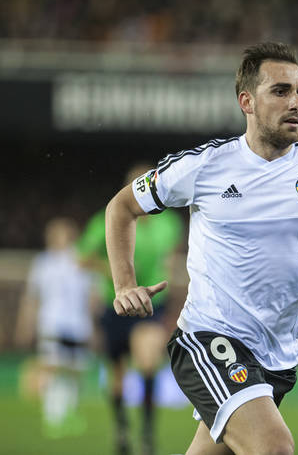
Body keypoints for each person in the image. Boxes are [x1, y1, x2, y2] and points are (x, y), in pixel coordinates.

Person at [105, 42, 298, 455]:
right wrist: (124, 283)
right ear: (247, 102)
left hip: (277, 357)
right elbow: (122, 207)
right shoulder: (204, 166)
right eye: (280, 91)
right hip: (209, 338)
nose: (295, 102)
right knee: (274, 447)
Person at [77, 165, 183, 455]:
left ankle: (147, 434)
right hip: (117, 305)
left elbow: (171, 257)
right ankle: (122, 428)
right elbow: (82, 258)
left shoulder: (168, 224)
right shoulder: (106, 220)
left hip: (151, 305)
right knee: (118, 374)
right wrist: (117, 275)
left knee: (148, 362)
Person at [15, 218, 93, 438]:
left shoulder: (81, 261)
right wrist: (25, 324)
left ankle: (69, 413)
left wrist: (94, 324)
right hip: (51, 322)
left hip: (78, 324)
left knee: (75, 370)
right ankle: (52, 417)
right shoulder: (43, 263)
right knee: (51, 366)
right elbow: (32, 297)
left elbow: (91, 295)